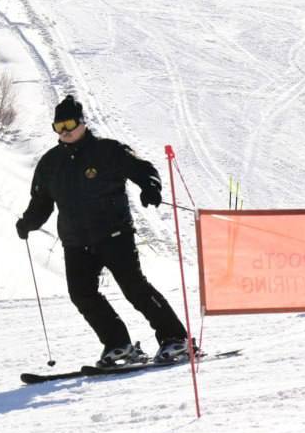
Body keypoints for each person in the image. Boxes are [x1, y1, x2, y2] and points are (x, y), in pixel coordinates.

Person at [15, 95, 189, 367]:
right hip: (76, 241)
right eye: (59, 126)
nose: (66, 131)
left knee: (134, 288)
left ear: (83, 122)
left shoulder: (108, 151)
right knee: (82, 294)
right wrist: (28, 222)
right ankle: (118, 344)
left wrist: (150, 187)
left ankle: (176, 339)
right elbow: (41, 202)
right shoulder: (50, 164)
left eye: (70, 123)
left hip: (114, 234)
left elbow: (143, 169)